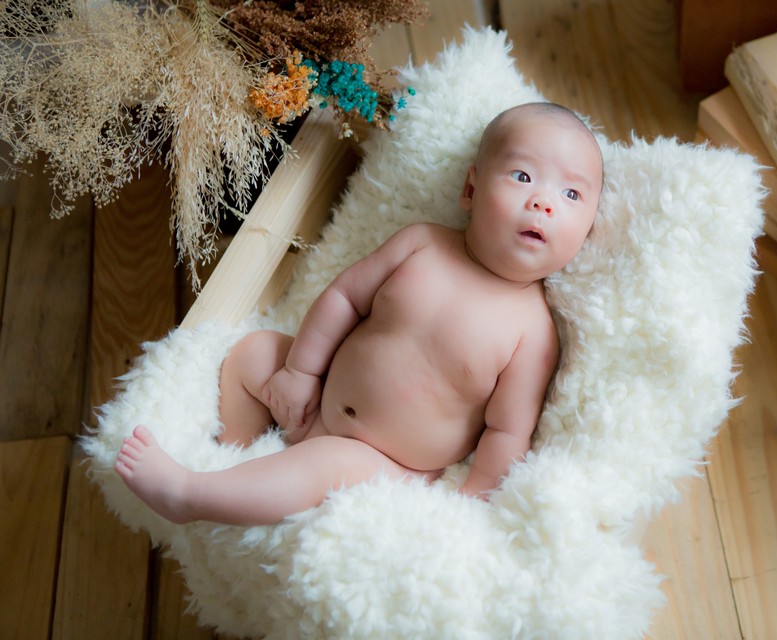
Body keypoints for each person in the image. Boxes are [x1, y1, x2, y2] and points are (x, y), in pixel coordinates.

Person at [115, 102, 604, 526]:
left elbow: (507, 432)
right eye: (523, 177)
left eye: (572, 195)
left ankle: (192, 495)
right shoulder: (422, 244)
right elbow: (344, 299)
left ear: (586, 231)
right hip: (315, 401)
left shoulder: (532, 332)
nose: (542, 202)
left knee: (324, 464)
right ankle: (236, 461)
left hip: (383, 467)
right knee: (253, 353)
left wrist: (471, 503)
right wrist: (299, 372)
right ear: (471, 190)